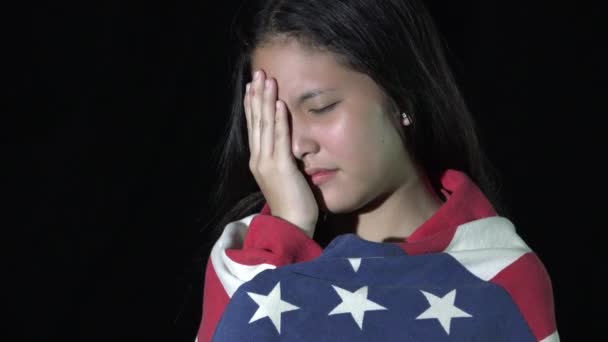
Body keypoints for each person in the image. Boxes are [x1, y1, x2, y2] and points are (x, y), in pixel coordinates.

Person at [195, 0, 559, 341]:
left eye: (321, 107)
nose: (296, 145)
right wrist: (286, 233)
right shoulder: (243, 261)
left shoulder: (500, 273)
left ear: (401, 95)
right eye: (275, 120)